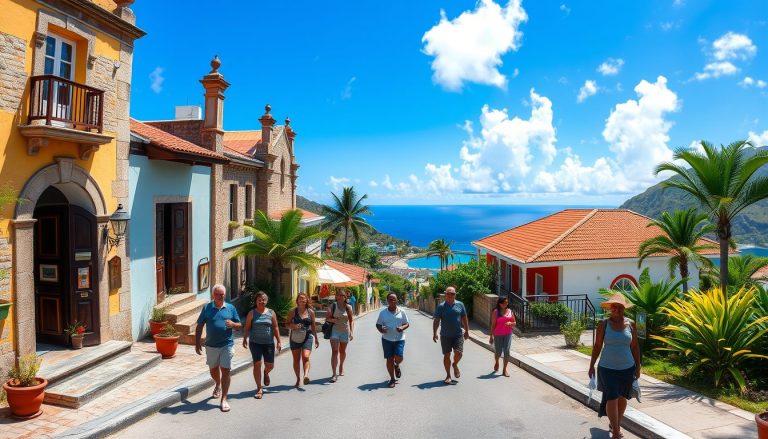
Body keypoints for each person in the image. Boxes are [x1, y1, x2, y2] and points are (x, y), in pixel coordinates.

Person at [588, 293, 641, 439]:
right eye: (613, 306)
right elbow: (597, 346)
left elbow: (635, 347)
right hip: (607, 368)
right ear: (610, 308)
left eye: (619, 306)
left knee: (623, 397)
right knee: (611, 397)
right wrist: (591, 365)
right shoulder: (603, 324)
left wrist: (638, 366)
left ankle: (615, 423)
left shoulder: (631, 324)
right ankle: (616, 431)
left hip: (627, 368)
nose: (616, 309)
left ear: (624, 308)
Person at [195, 284, 242, 412]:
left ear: (224, 295)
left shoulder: (231, 308)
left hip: (227, 344)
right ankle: (217, 384)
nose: (220, 296)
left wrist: (233, 324)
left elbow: (239, 325)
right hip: (211, 345)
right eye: (217, 294)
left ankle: (224, 399)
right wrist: (197, 342)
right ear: (213, 295)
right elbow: (199, 326)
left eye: (222, 294)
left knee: (226, 370)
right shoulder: (207, 308)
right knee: (213, 370)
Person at [241, 291, 281, 399]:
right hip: (255, 343)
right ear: (256, 301)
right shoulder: (252, 313)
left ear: (266, 301)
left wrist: (279, 341)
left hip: (268, 343)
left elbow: (275, 327)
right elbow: (247, 327)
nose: (261, 301)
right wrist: (245, 338)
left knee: (270, 365)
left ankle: (266, 373)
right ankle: (259, 388)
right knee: (257, 364)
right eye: (259, 300)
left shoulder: (271, 313)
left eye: (264, 300)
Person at [432, 286, 469, 385]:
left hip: (458, 334)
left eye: (452, 294)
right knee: (447, 355)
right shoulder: (441, 306)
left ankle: (455, 364)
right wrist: (434, 333)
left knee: (459, 353)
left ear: (455, 295)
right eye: (448, 293)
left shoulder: (460, 305)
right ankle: (448, 375)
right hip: (445, 335)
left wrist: (467, 331)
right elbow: (436, 320)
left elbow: (464, 318)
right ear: (445, 294)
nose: (450, 295)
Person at [376, 293, 410, 388]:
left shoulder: (402, 312)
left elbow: (407, 323)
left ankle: (397, 364)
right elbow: (378, 324)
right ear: (387, 301)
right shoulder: (383, 313)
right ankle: (392, 379)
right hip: (387, 339)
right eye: (390, 299)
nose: (392, 301)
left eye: (394, 299)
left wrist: (402, 327)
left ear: (397, 300)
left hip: (399, 338)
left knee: (399, 357)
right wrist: (381, 330)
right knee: (389, 359)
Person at [286, 292, 319, 387]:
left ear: (307, 300)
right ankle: (298, 379)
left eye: (304, 298)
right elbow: (287, 324)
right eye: (300, 298)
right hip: (295, 337)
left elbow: (313, 325)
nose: (302, 300)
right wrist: (294, 326)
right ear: (297, 301)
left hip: (307, 336)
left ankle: (305, 376)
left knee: (306, 356)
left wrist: (316, 338)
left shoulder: (311, 312)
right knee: (296, 359)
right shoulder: (292, 311)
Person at [326, 290, 354, 382]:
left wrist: (352, 332)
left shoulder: (348, 307)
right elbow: (327, 319)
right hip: (335, 331)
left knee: (342, 351)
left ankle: (341, 365)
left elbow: (351, 320)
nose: (341, 297)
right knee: (334, 351)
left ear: (345, 297)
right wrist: (333, 320)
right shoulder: (332, 306)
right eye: (339, 295)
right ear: (336, 297)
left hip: (344, 332)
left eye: (343, 295)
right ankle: (334, 374)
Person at [489, 296, 515, 377]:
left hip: (508, 333)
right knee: (498, 352)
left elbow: (514, 322)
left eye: (507, 302)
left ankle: (504, 370)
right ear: (500, 304)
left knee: (507, 351)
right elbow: (493, 325)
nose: (506, 304)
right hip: (498, 334)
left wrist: (510, 323)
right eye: (504, 303)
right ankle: (497, 361)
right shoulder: (496, 312)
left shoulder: (510, 311)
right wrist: (491, 336)